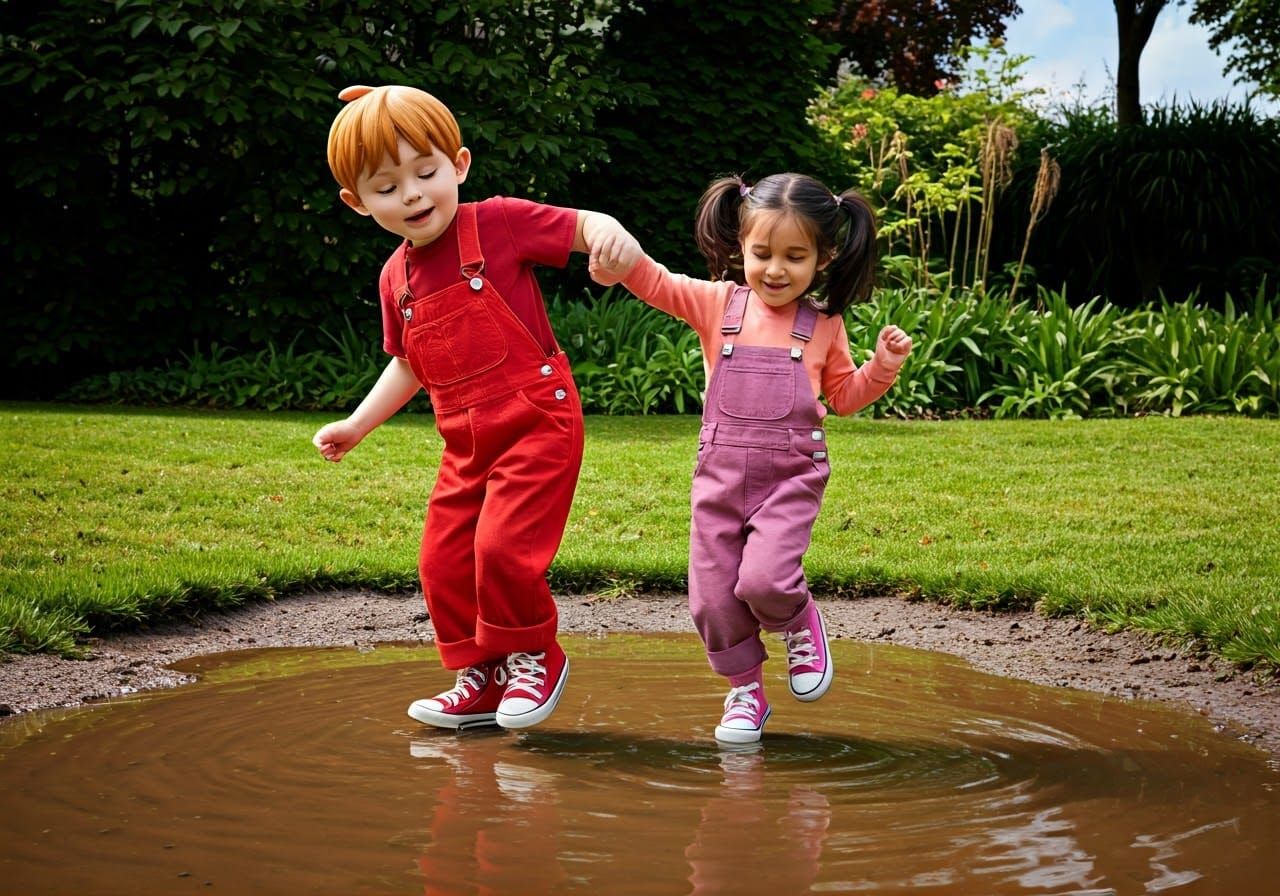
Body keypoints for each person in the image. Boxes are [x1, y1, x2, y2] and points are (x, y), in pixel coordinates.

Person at [313, 85, 638, 731]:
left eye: (426, 173)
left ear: (458, 165)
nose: (411, 194)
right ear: (356, 202)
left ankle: (535, 655)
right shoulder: (394, 278)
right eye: (386, 186)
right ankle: (482, 677)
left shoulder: (496, 223)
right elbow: (407, 363)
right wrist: (357, 424)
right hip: (465, 443)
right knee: (441, 559)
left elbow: (583, 225)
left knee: (500, 549)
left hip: (536, 422)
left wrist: (612, 239)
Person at [592, 173, 913, 744]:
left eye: (795, 256)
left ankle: (798, 622)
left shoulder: (823, 326)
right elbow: (656, 282)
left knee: (765, 581)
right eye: (761, 253)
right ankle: (746, 692)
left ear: (823, 257)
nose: (774, 269)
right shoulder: (718, 305)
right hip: (718, 479)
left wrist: (881, 367)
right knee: (712, 598)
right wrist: (622, 257)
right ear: (740, 246)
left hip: (789, 477)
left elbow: (842, 398)